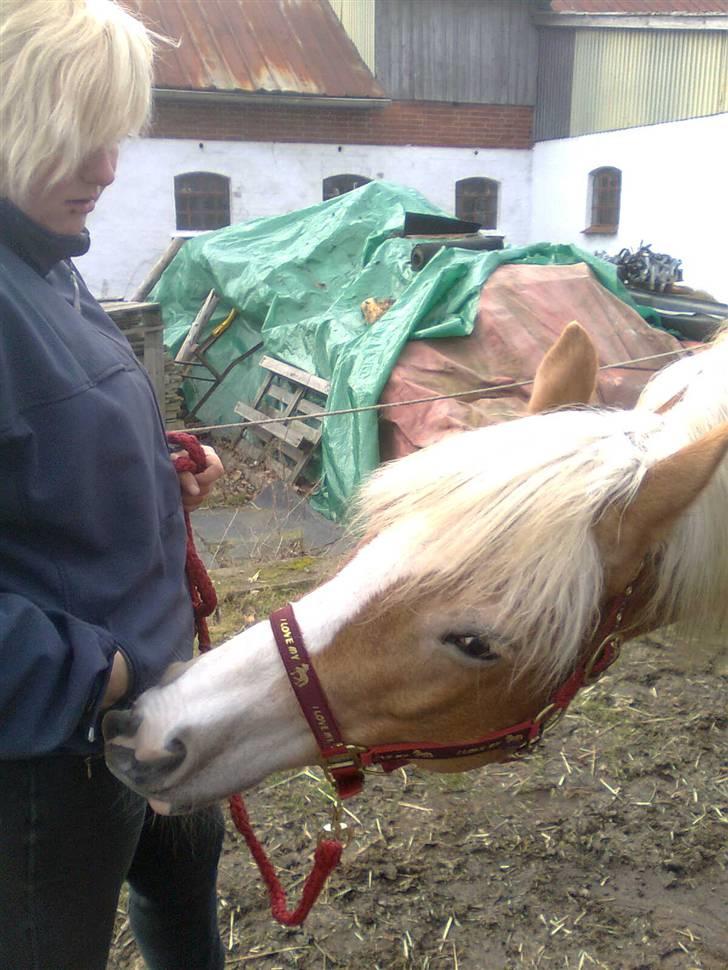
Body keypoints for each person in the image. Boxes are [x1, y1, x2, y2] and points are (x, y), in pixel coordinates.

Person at [0, 2, 226, 967]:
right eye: (74, 141)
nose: (107, 170)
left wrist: (159, 476)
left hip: (159, 701)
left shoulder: (45, 260)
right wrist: (109, 676)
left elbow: (48, 447)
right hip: (54, 761)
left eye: (113, 136)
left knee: (183, 904)